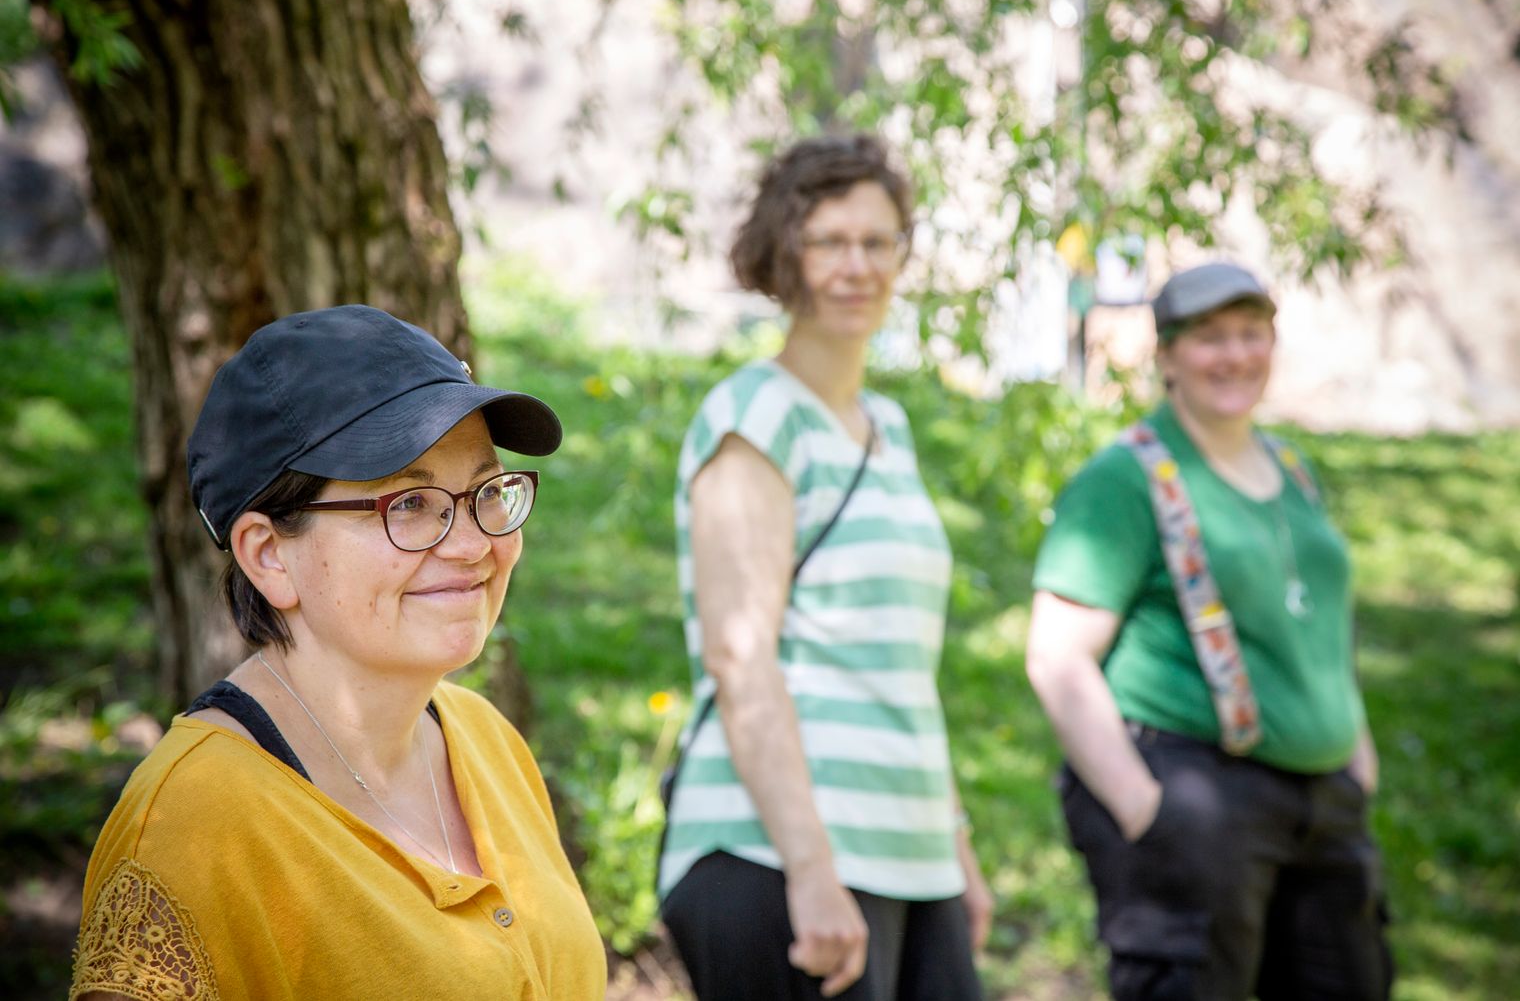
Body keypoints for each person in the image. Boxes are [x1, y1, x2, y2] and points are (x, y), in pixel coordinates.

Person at [69, 305, 606, 1000]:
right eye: (409, 503)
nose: (474, 543)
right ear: (269, 556)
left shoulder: (485, 738)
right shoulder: (191, 830)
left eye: (483, 491)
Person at [657, 135, 993, 1001]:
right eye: (830, 241)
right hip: (776, 851)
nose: (858, 265)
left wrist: (952, 847)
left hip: (909, 855)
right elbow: (740, 655)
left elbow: (901, 668)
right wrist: (810, 865)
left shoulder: (889, 426)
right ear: (784, 253)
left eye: (878, 242)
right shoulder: (754, 414)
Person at [1024, 262, 1392, 1000]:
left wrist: (1356, 754)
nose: (1235, 355)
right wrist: (1142, 806)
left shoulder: (1292, 466)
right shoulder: (1124, 479)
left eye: (1252, 334)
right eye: (1210, 337)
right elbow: (1057, 657)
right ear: (1166, 357)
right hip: (1197, 799)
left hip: (1325, 803)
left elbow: (1314, 618)